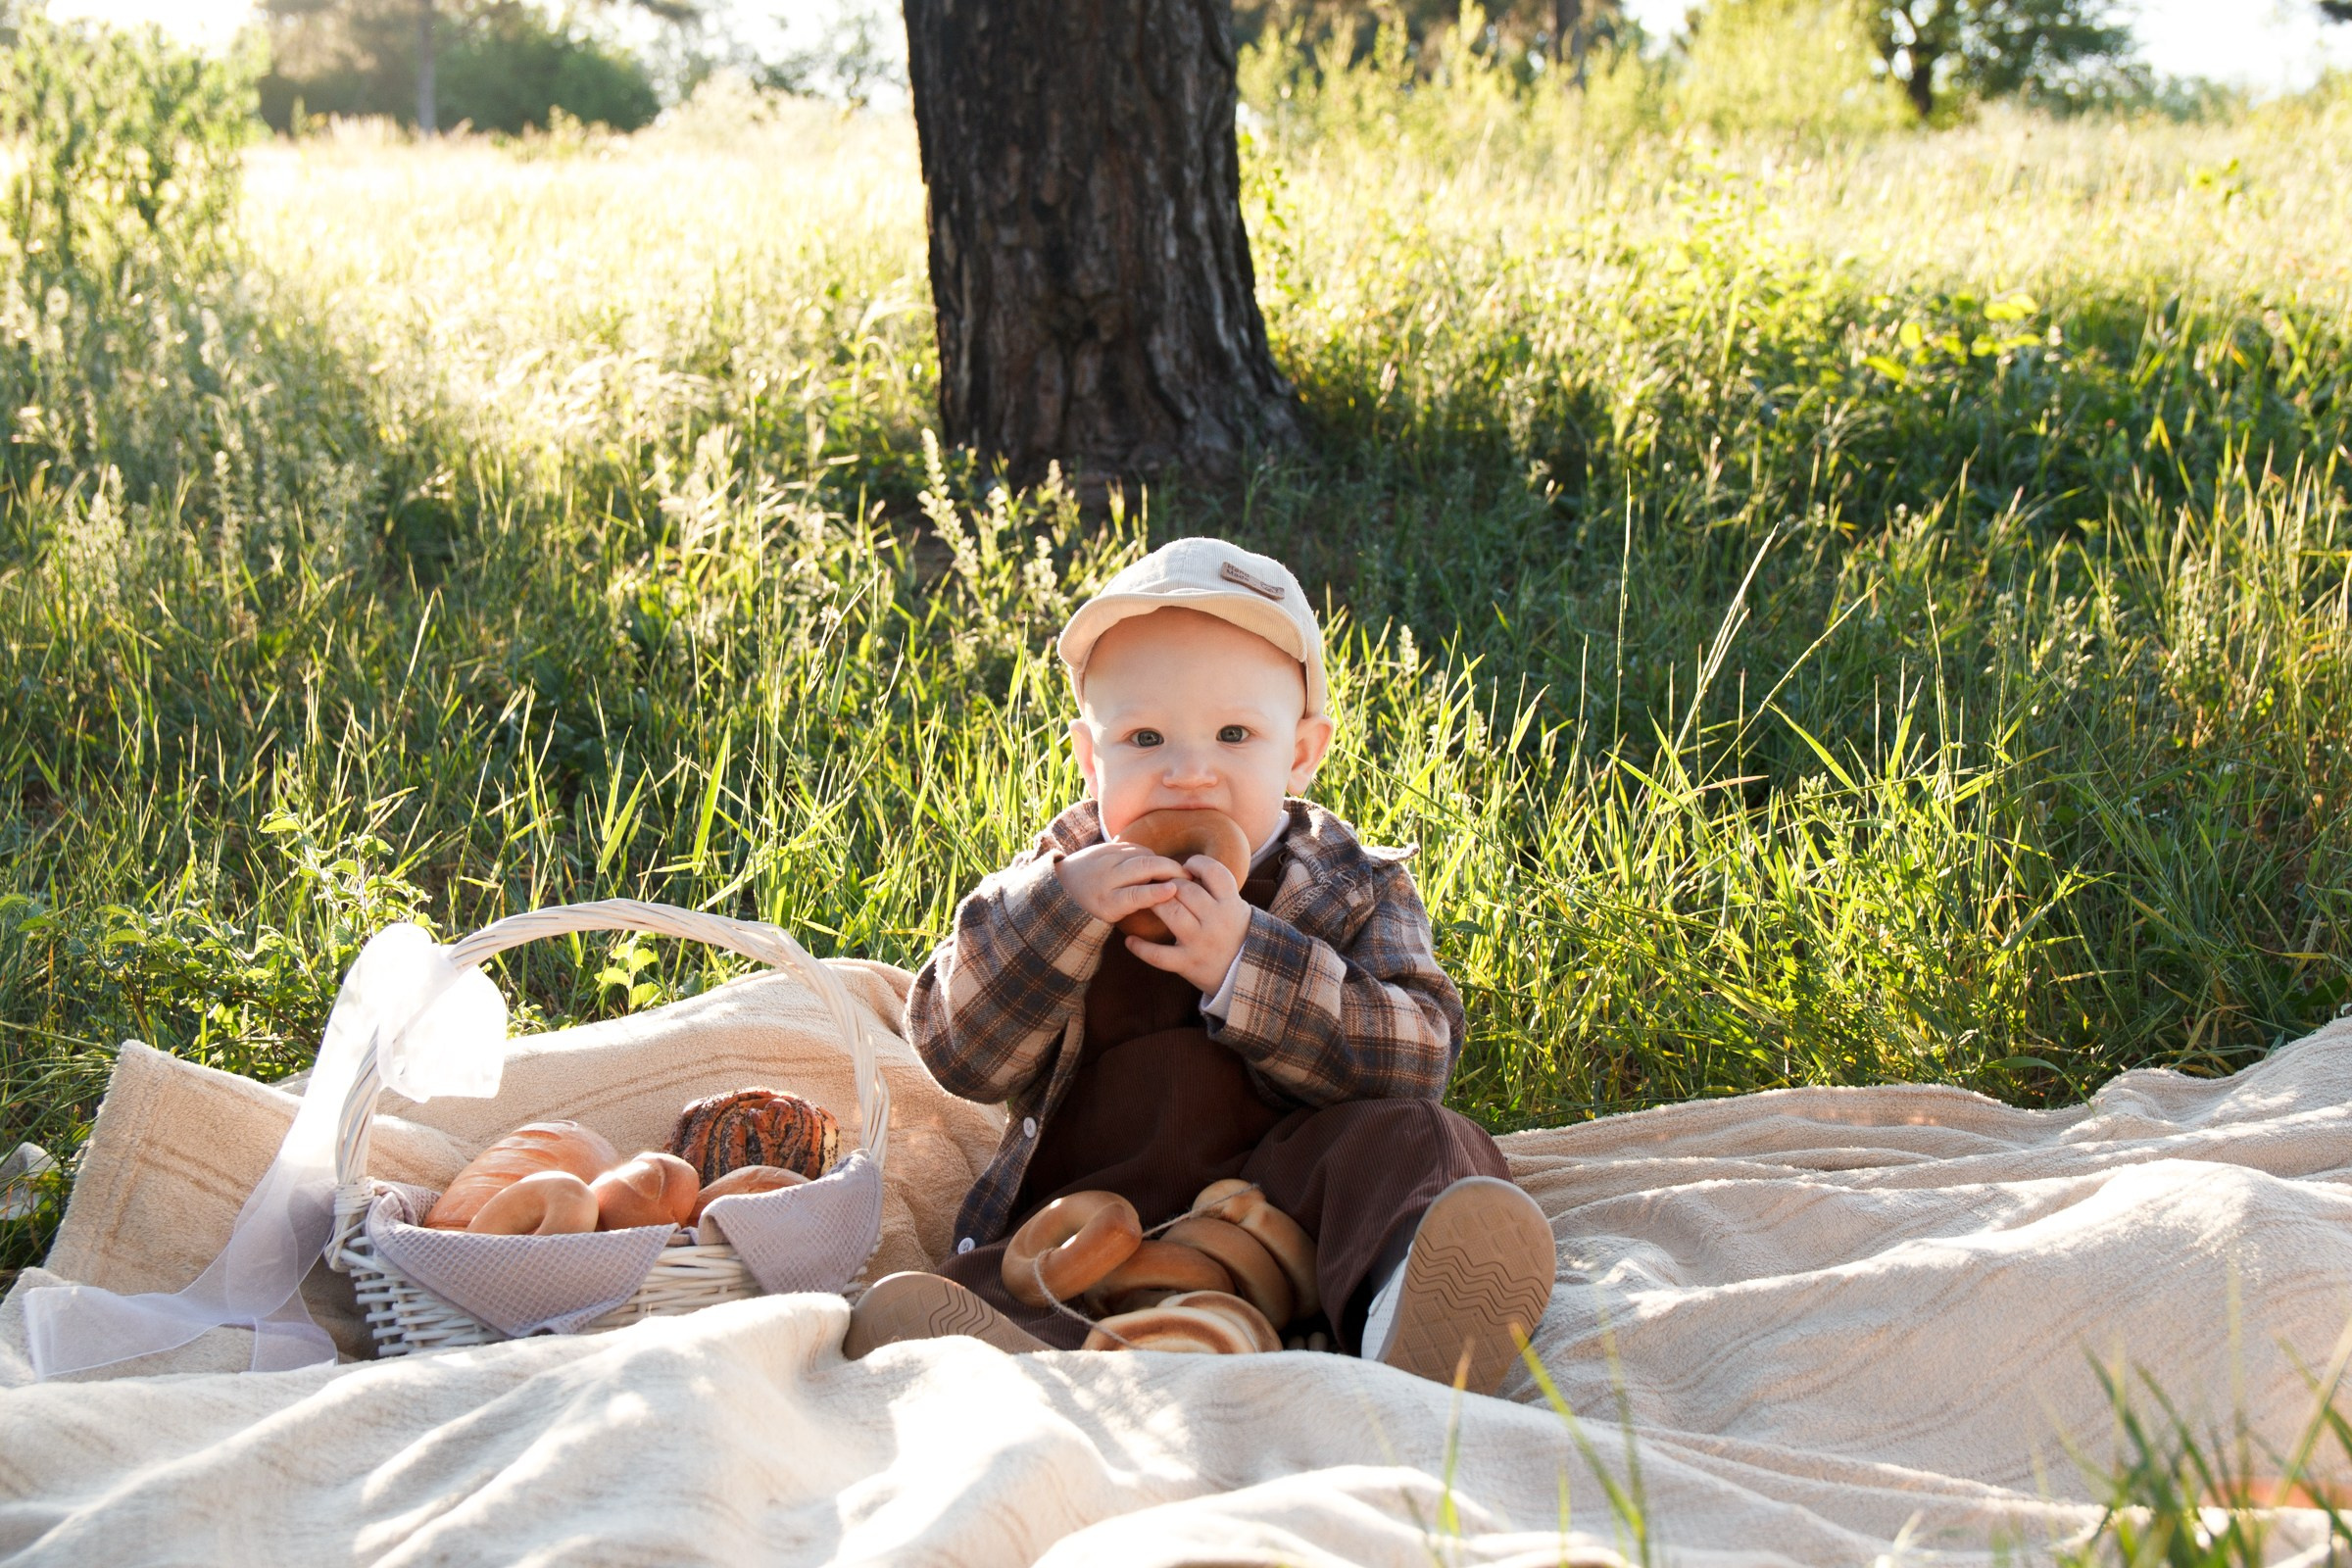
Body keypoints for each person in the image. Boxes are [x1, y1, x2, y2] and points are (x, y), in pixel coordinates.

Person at [844, 536, 1554, 1393]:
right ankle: (999, 1340)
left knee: (1430, 1144)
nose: (1188, 772)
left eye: (1233, 734)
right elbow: (957, 1052)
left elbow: (1418, 1059)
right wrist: (1061, 911)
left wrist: (1246, 962)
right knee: (1020, 1265)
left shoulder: (1351, 883)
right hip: (1110, 1218)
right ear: (1088, 756)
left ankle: (1399, 1307)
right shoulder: (1056, 879)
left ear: (1299, 752)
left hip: (1296, 1211)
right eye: (1144, 737)